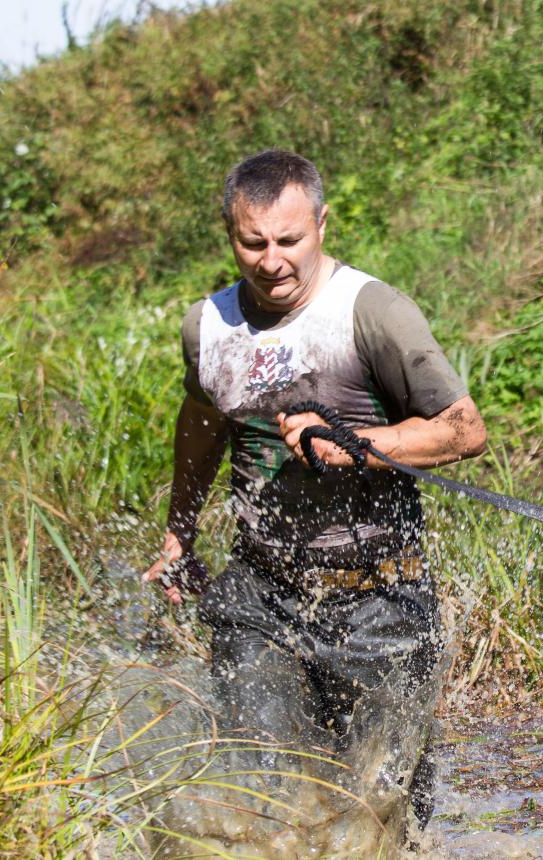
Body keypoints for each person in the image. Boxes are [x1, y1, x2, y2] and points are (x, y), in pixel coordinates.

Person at [143, 148, 486, 825]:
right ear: (230, 235)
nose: (273, 260)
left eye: (289, 241)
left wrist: (362, 446)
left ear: (321, 225)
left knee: (378, 813)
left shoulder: (373, 311)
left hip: (380, 598)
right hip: (260, 599)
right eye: (254, 242)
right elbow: (202, 432)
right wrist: (179, 533)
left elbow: (463, 430)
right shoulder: (207, 327)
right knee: (265, 799)